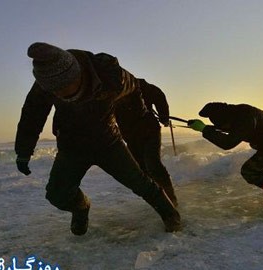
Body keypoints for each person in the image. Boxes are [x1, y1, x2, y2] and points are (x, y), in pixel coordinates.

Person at [15, 42, 181, 235]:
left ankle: (171, 215)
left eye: (64, 88)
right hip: (72, 144)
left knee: (140, 182)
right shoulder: (45, 82)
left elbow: (136, 87)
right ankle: (81, 207)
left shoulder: (110, 75)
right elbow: (31, 115)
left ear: (76, 75)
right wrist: (23, 151)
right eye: (55, 92)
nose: (59, 94)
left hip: (108, 142)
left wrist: (139, 116)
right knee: (56, 195)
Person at [115, 78, 178, 206]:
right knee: (141, 169)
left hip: (149, 131)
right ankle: (159, 199)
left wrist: (164, 116)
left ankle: (171, 199)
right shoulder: (104, 92)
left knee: (153, 164)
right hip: (130, 136)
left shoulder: (135, 83)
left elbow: (158, 95)